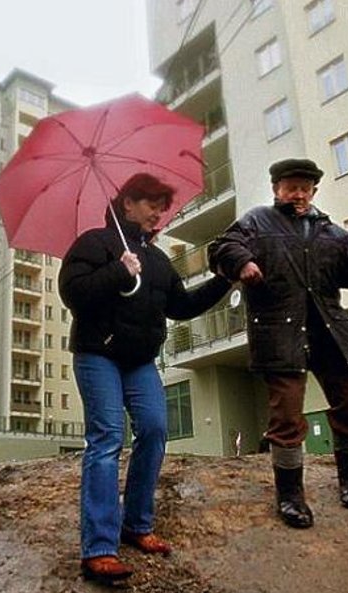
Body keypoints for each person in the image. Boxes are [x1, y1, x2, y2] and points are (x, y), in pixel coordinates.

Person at [209, 158, 348, 529]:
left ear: (313, 190)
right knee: (286, 416)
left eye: (304, 187)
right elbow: (222, 247)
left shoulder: (331, 232)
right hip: (280, 334)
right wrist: (242, 262)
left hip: (329, 331)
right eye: (290, 187)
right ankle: (291, 496)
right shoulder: (256, 222)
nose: (297, 194)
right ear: (276, 189)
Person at [59, 172, 232, 583]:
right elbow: (73, 293)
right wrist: (118, 272)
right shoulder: (93, 244)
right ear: (127, 204)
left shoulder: (156, 260)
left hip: (139, 361)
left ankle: (136, 524)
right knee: (106, 438)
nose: (158, 212)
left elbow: (181, 306)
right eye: (151, 203)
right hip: (98, 354)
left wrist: (223, 282)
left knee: (154, 430)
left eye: (161, 205)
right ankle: (99, 547)